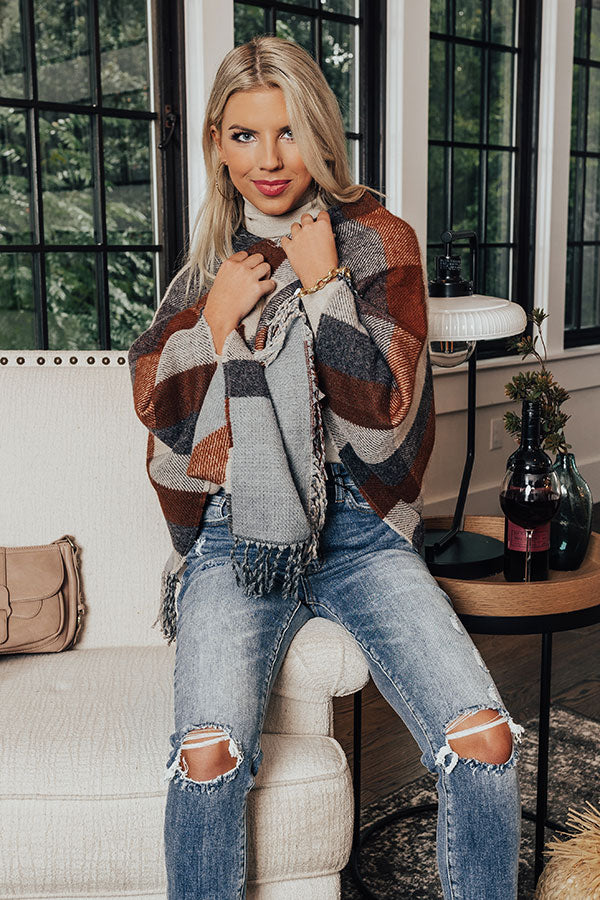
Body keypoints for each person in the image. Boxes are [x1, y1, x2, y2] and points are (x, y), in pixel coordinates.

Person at [128, 35, 523, 900]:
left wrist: (325, 289)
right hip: (235, 535)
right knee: (207, 757)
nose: (269, 160)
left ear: (321, 135)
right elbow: (161, 408)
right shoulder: (209, 268)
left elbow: (383, 427)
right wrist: (215, 320)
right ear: (216, 144)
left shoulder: (379, 241)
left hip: (360, 528)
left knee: (485, 742)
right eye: (244, 135)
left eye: (289, 132)